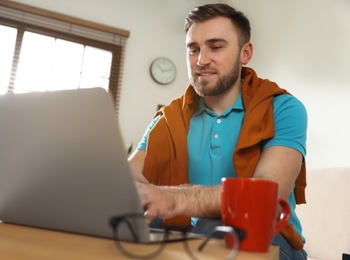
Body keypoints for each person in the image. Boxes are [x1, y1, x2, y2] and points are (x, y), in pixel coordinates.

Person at [128, 3, 308, 259]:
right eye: (193, 49)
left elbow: (266, 193)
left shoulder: (284, 109)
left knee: (214, 228)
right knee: (132, 225)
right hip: (189, 235)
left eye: (216, 46)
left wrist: (174, 199)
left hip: (271, 239)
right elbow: (126, 180)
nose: (201, 60)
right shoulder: (168, 118)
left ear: (245, 53)